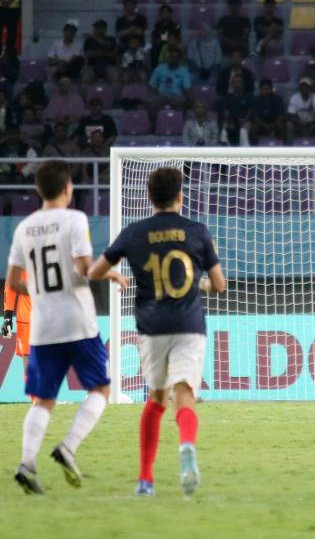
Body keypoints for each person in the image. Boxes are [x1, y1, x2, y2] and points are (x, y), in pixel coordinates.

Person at [88, 166, 226, 496]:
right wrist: (200, 284)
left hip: (152, 328)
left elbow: (95, 271)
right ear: (180, 196)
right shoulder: (198, 231)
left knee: (156, 400)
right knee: (185, 398)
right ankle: (187, 446)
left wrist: (112, 275)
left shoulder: (134, 232)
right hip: (190, 327)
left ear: (149, 197)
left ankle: (146, 478)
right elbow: (220, 284)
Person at [9, 161, 126, 494]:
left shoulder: (23, 228)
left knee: (42, 400)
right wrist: (112, 270)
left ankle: (27, 464)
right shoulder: (75, 219)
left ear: (38, 191)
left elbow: (16, 281)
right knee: (100, 390)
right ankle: (68, 447)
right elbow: (85, 269)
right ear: (67, 189)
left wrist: (41, 293)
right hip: (77, 321)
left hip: (43, 327)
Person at [1, 270, 31, 391]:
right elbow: (11, 284)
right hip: (29, 317)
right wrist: (8, 315)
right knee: (30, 363)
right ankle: (37, 404)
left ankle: (40, 402)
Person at [147, 46, 192, 114]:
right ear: (168, 57)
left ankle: (178, 122)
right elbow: (151, 86)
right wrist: (156, 95)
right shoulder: (159, 68)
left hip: (176, 96)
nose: (173, 59)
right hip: (161, 95)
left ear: (179, 59)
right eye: (171, 56)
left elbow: (187, 88)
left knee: (182, 103)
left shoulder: (184, 70)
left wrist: (190, 100)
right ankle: (154, 124)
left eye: (175, 57)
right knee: (151, 102)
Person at [82, 20, 121, 87]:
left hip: (108, 65)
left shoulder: (111, 39)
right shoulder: (88, 41)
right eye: (95, 28)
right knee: (85, 78)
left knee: (115, 77)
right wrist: (104, 53)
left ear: (104, 29)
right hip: (93, 66)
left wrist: (94, 38)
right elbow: (88, 54)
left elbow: (111, 50)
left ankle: (116, 97)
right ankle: (84, 97)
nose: (96, 30)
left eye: (98, 28)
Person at [250, 79, 287, 144]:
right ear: (260, 90)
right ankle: (254, 150)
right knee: (253, 128)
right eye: (263, 89)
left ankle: (283, 148)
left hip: (275, 123)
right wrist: (265, 126)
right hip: (261, 124)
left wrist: (273, 125)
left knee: (281, 127)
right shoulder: (256, 100)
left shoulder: (278, 99)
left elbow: (281, 115)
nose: (265, 91)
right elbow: (255, 117)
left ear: (271, 89)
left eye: (267, 89)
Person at [149, 4, 180, 69]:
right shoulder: (157, 25)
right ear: (160, 14)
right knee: (153, 49)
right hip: (158, 48)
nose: (165, 14)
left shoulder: (176, 25)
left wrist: (164, 39)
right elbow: (155, 37)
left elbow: (177, 38)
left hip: (171, 47)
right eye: (163, 12)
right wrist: (160, 39)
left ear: (170, 14)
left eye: (167, 12)